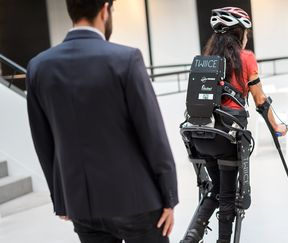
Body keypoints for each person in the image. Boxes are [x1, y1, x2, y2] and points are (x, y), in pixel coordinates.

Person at [26, 0, 178, 242]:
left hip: (81, 204)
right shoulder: (126, 59)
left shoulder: (38, 67)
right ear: (105, 10)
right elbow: (152, 134)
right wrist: (169, 197)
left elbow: (43, 142)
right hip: (136, 200)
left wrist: (61, 199)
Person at [181, 7, 287, 243]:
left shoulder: (206, 60)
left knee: (215, 188)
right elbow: (260, 100)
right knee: (228, 195)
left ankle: (191, 236)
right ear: (240, 33)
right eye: (246, 31)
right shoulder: (246, 58)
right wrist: (277, 126)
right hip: (227, 135)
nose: (248, 35)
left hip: (200, 134)